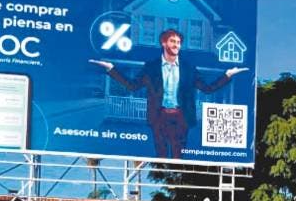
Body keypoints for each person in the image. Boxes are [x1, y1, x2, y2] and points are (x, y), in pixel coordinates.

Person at [90, 29, 248, 159]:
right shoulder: (151, 67)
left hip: (181, 116)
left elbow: (207, 88)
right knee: (161, 153)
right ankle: (163, 178)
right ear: (164, 43)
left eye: (178, 42)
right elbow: (132, 86)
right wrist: (111, 68)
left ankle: (176, 181)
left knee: (179, 155)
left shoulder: (188, 68)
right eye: (173, 41)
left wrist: (228, 74)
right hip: (159, 116)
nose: (176, 45)